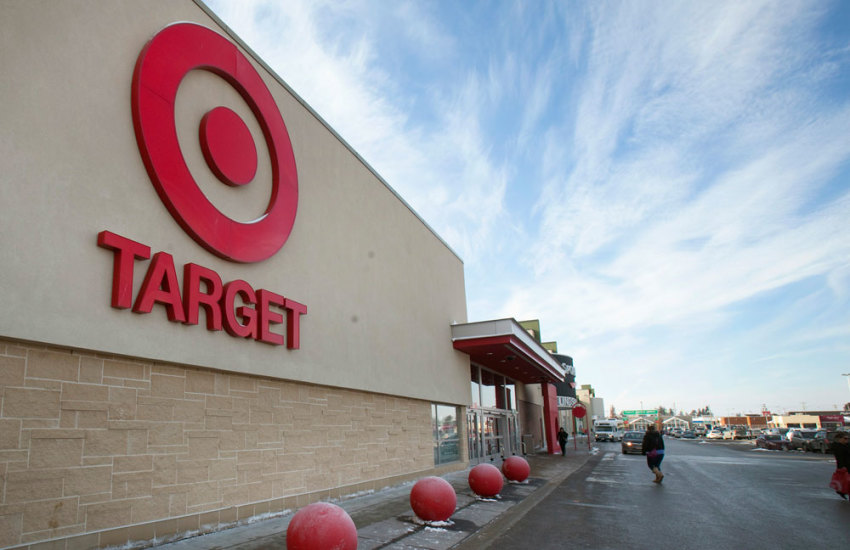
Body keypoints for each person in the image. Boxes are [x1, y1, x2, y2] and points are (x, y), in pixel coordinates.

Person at [830, 431, 849, 500]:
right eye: (845, 438)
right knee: (844, 481)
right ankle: (841, 491)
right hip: (844, 467)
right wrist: (842, 467)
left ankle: (842, 491)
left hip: (847, 466)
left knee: (845, 482)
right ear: (840, 439)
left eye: (847, 439)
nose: (846, 440)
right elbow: (840, 458)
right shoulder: (838, 447)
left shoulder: (847, 445)